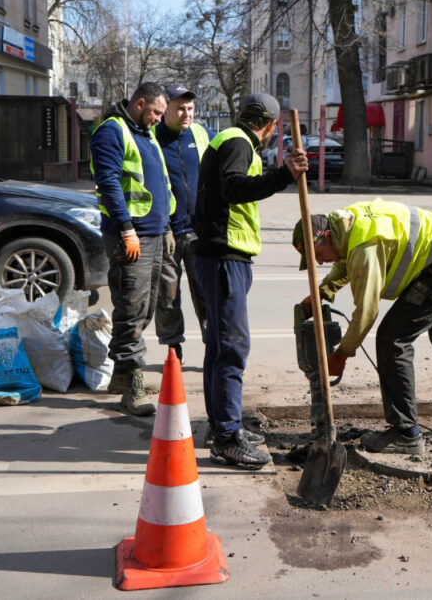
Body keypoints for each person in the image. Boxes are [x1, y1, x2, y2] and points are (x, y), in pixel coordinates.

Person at [293, 199, 432, 455]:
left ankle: (405, 433)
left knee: (392, 339)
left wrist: (342, 354)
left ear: (327, 236)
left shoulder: (366, 246)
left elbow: (366, 311)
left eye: (317, 255)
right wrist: (324, 290)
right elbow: (343, 258)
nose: (318, 263)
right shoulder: (347, 224)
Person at [194, 92, 308, 469]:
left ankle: (221, 426)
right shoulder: (239, 143)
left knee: (219, 346)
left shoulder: (230, 140)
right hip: (224, 256)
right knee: (231, 348)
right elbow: (233, 188)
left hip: (223, 256)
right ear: (272, 125)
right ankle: (228, 437)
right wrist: (282, 175)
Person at [89, 82, 176, 417]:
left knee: (147, 305)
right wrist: (127, 230)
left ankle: (122, 377)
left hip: (153, 233)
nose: (157, 119)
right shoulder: (113, 131)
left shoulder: (144, 132)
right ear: (140, 103)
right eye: (155, 112)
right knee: (131, 307)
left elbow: (159, 181)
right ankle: (133, 385)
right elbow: (108, 182)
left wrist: (166, 225)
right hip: (132, 235)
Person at [152, 84, 213, 363]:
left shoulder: (201, 135)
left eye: (190, 108)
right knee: (167, 297)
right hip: (167, 234)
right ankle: (173, 350)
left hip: (199, 232)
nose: (187, 113)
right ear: (166, 110)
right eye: (180, 108)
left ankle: (213, 346)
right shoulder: (151, 138)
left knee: (206, 295)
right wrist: (162, 227)